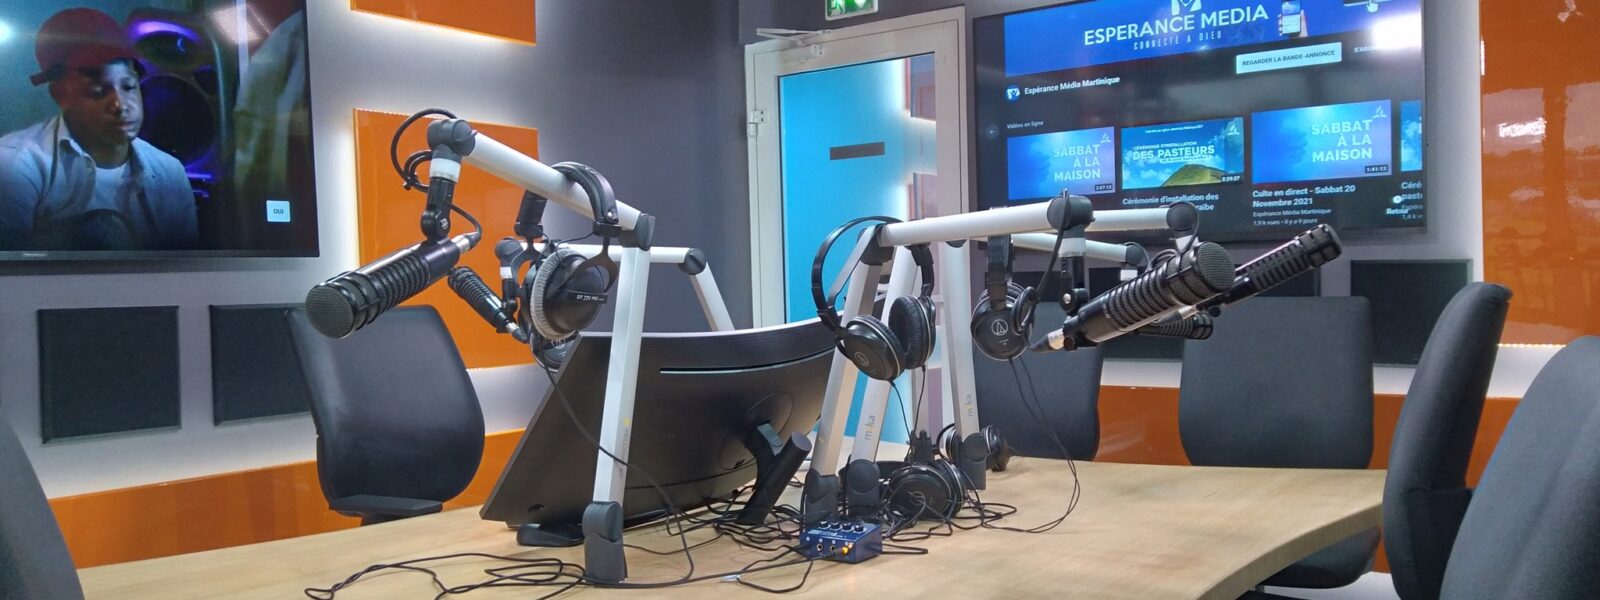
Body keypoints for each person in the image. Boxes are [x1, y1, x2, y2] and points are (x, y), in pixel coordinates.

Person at [0, 8, 197, 251]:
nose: (120, 105)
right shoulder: (14, 166)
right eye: (99, 91)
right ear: (60, 95)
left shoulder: (170, 172)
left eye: (129, 86)